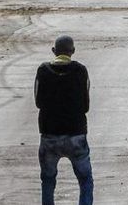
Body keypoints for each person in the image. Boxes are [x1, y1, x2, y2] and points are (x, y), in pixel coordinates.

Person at [35, 35, 93, 205]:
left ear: (54, 51)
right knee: (85, 180)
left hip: (49, 135)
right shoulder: (81, 71)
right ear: (73, 51)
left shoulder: (43, 71)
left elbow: (38, 102)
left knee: (48, 180)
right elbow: (85, 106)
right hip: (76, 135)